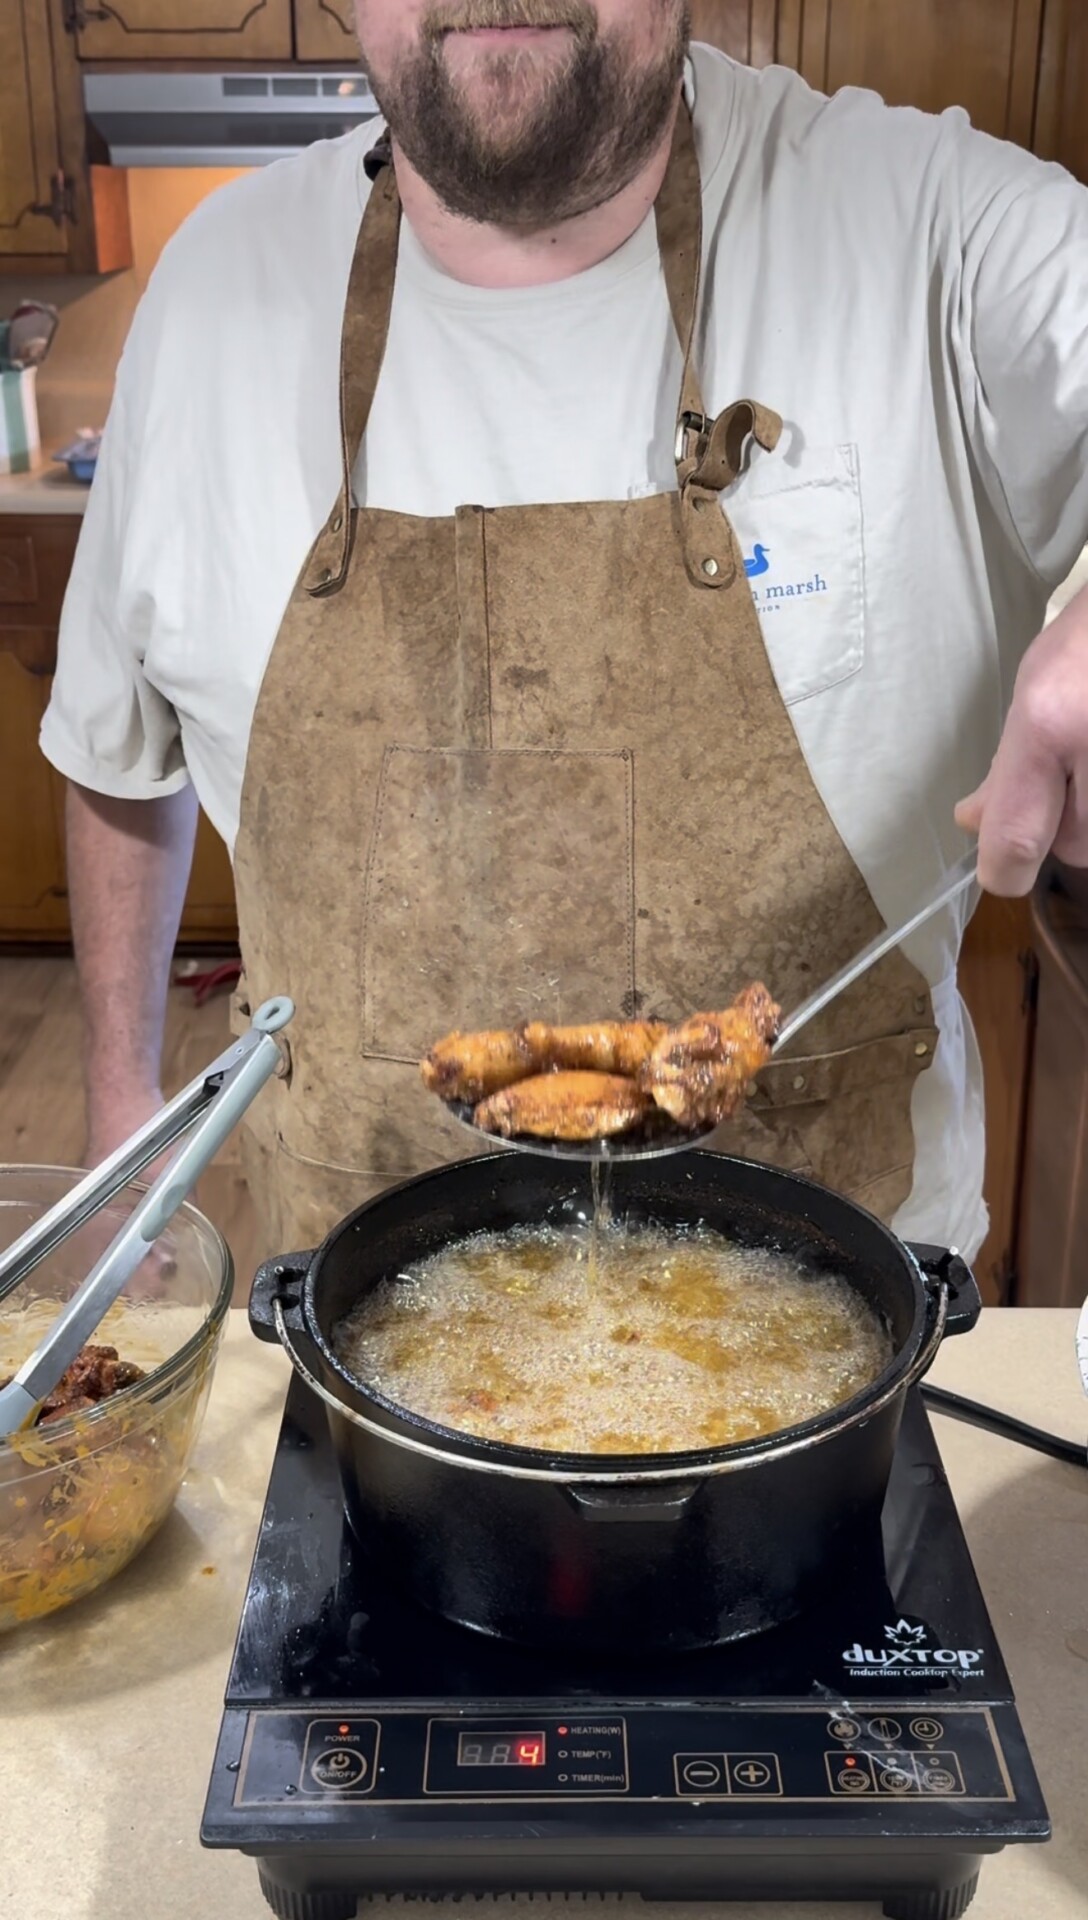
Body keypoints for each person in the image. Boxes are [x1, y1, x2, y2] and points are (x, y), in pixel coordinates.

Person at [41, 1, 1088, 1262]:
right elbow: (115, 750)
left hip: (846, 1327)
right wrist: (117, 1098)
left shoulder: (936, 232)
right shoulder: (212, 292)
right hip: (349, 1319)